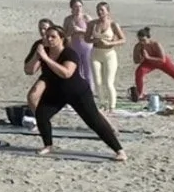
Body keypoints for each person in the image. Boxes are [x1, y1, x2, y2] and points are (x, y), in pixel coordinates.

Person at [35, 24, 125, 158]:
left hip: (77, 92)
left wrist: (46, 59)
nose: (49, 39)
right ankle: (48, 145)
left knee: (94, 121)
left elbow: (66, 73)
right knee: (41, 114)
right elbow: (29, 70)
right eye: (47, 37)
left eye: (53, 37)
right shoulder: (45, 53)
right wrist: (37, 56)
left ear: (62, 38)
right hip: (56, 92)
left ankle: (119, 151)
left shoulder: (70, 53)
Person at [131, 29, 174, 101]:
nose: (142, 42)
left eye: (143, 40)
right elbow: (136, 61)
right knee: (139, 72)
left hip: (162, 62)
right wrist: (141, 57)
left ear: (148, 38)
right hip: (149, 63)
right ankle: (140, 93)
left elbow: (162, 60)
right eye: (139, 40)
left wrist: (148, 57)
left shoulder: (156, 44)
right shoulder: (138, 46)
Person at [89, 3, 125, 114]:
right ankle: (102, 104)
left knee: (108, 82)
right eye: (98, 10)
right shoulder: (92, 24)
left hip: (109, 54)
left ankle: (112, 106)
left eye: (102, 10)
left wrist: (110, 42)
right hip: (95, 53)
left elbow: (123, 39)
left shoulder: (113, 24)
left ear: (107, 11)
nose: (100, 12)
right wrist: (94, 40)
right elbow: (86, 38)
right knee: (98, 81)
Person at [23, 19, 53, 116]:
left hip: (63, 75)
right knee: (32, 96)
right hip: (47, 76)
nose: (42, 31)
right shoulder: (38, 45)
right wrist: (37, 54)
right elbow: (29, 71)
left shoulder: (61, 42)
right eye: (40, 29)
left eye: (45, 28)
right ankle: (41, 120)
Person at [63, 0, 95, 88]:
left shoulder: (86, 18)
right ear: (71, 8)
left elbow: (93, 32)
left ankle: (90, 91)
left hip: (87, 46)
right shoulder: (68, 19)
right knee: (77, 70)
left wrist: (81, 30)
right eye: (76, 7)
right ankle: (79, 90)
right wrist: (71, 31)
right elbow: (64, 34)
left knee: (88, 71)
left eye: (80, 6)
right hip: (74, 46)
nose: (78, 9)